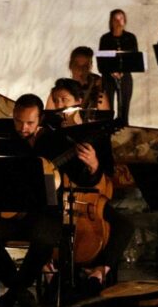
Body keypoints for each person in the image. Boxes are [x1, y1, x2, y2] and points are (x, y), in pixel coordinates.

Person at [0, 94, 104, 307]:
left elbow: (83, 178)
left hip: (45, 214)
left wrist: (93, 165)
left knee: (45, 238)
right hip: (13, 213)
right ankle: (21, 293)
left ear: (40, 119)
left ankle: (13, 294)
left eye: (29, 122)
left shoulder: (56, 142)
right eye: (18, 121)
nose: (23, 127)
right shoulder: (6, 141)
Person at [47, 82, 135, 289]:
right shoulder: (50, 135)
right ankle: (51, 269)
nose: (60, 105)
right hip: (59, 198)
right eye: (56, 100)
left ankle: (101, 269)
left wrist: (94, 164)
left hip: (90, 199)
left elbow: (108, 173)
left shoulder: (97, 134)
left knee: (125, 225)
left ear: (78, 102)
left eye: (65, 100)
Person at [98, 9, 138, 124]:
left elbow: (133, 58)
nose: (118, 21)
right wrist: (111, 71)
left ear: (124, 20)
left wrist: (122, 71)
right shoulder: (105, 38)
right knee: (107, 108)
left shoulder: (130, 37)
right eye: (115, 19)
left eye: (121, 18)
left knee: (124, 107)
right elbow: (102, 59)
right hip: (108, 77)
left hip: (124, 76)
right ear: (111, 21)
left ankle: (123, 128)